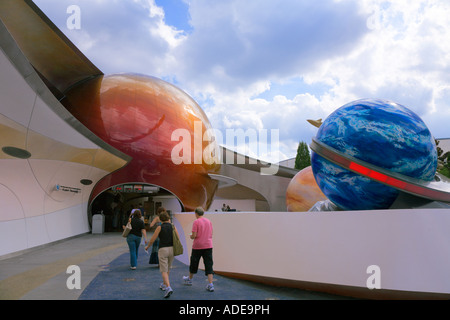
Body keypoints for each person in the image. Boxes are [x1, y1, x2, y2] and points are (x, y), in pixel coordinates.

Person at [145, 211, 179, 298]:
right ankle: (164, 284)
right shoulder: (173, 226)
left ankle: (168, 287)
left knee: (163, 269)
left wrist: (148, 246)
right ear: (168, 218)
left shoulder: (160, 227)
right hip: (172, 249)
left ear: (160, 219)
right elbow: (178, 238)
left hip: (163, 249)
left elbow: (153, 239)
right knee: (168, 268)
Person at [183, 207, 214, 292]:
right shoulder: (209, 221)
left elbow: (194, 235)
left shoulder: (196, 222)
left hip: (198, 246)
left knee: (194, 262)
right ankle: (211, 284)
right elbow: (211, 233)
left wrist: (191, 235)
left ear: (196, 213)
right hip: (208, 245)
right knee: (209, 264)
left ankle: (189, 279)